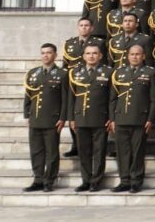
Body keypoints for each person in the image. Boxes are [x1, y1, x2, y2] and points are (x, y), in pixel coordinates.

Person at [109, 44, 155, 193]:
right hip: (121, 118)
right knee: (122, 152)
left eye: (138, 54)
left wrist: (150, 119)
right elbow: (113, 98)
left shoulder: (150, 72)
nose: (135, 57)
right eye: (132, 54)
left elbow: (154, 99)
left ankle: (136, 181)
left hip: (140, 119)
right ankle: (124, 180)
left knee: (137, 152)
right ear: (127, 56)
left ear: (143, 56)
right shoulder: (119, 73)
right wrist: (112, 118)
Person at [66, 45, 113, 192]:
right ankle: (86, 180)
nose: (91, 56)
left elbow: (112, 98)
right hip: (81, 117)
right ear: (84, 56)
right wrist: (71, 118)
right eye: (88, 53)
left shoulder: (108, 72)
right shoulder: (75, 73)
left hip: (100, 118)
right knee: (83, 151)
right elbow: (71, 98)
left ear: (100, 56)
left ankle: (96, 181)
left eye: (94, 53)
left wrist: (111, 117)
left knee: (99, 151)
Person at [23, 43, 68, 193]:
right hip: (35, 118)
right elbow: (28, 95)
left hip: (52, 119)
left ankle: (49, 181)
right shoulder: (33, 73)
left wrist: (62, 118)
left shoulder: (62, 74)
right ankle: (38, 179)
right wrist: (27, 114)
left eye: (49, 53)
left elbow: (65, 98)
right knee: (36, 151)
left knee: (52, 152)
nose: (45, 55)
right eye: (43, 53)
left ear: (55, 55)